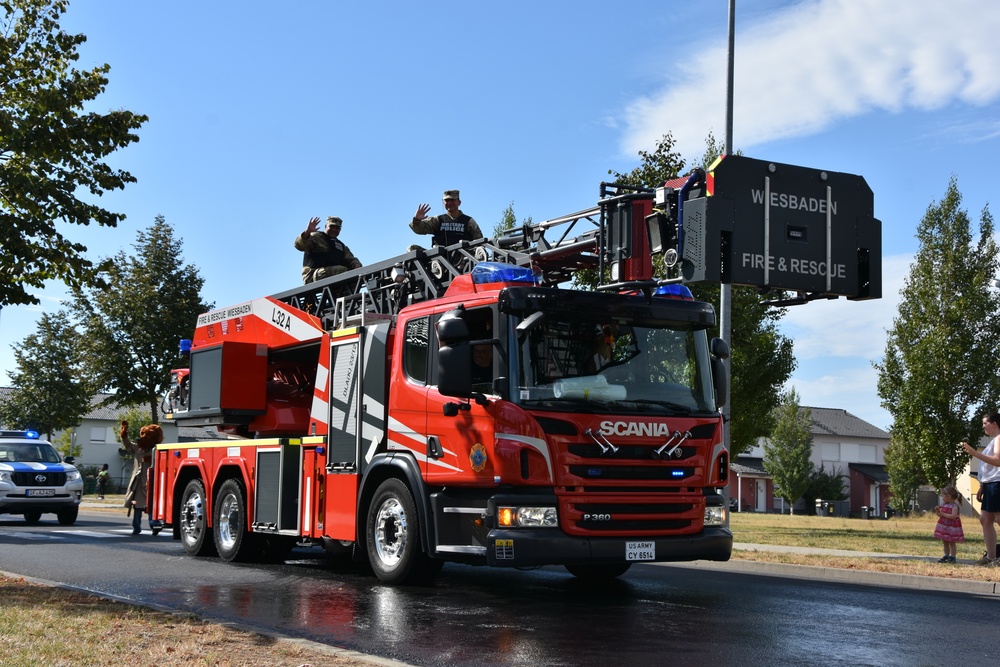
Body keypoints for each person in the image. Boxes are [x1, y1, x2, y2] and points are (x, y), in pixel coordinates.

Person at [962, 412, 1000, 566]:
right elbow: (988, 468)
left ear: (994, 424)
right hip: (990, 485)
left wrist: (974, 453)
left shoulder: (999, 439)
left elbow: (997, 461)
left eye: (985, 423)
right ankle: (991, 557)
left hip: (998, 484)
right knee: (985, 519)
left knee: (998, 518)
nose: (983, 426)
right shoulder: (993, 441)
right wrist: (982, 486)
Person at [121, 420, 163, 536]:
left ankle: (154, 524)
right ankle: (136, 527)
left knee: (151, 504)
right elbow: (128, 445)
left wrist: (152, 460)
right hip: (138, 481)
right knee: (137, 505)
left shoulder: (157, 449)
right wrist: (124, 434)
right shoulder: (138, 448)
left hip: (152, 481)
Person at [294, 216, 362, 284]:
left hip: (332, 274)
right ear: (326, 226)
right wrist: (307, 232)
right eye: (331, 227)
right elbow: (299, 246)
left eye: (337, 228)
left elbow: (350, 259)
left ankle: (345, 293)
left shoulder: (340, 245)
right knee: (342, 270)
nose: (334, 230)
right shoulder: (316, 236)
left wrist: (357, 266)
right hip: (312, 274)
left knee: (358, 275)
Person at [410, 190, 483, 247]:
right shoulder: (438, 220)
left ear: (459, 202)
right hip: (440, 260)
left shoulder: (468, 221)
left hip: (462, 260)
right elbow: (420, 230)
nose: (449, 203)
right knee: (412, 248)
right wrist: (417, 220)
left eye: (452, 200)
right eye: (447, 200)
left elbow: (479, 241)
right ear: (443, 202)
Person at [932, 485, 964, 563]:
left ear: (948, 497)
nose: (942, 498)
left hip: (951, 527)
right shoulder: (944, 505)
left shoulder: (954, 507)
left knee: (952, 542)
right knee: (945, 542)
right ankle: (946, 555)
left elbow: (953, 516)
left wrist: (943, 514)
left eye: (943, 496)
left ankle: (952, 557)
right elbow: (940, 515)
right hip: (944, 527)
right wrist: (938, 511)